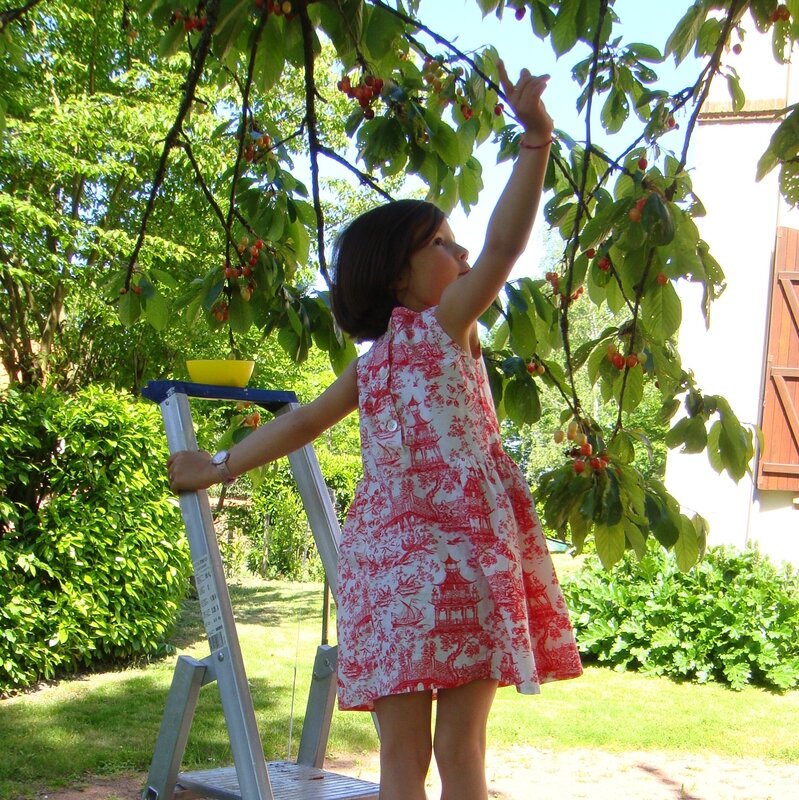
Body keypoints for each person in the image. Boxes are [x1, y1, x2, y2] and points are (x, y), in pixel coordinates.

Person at [167, 60, 582, 800]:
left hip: (408, 564)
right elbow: (301, 424)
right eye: (443, 246)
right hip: (436, 560)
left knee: (421, 755)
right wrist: (218, 464)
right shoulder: (409, 344)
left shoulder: (423, 338)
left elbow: (504, 249)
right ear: (397, 274)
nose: (462, 257)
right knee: (447, 754)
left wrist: (220, 463)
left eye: (460, 246)